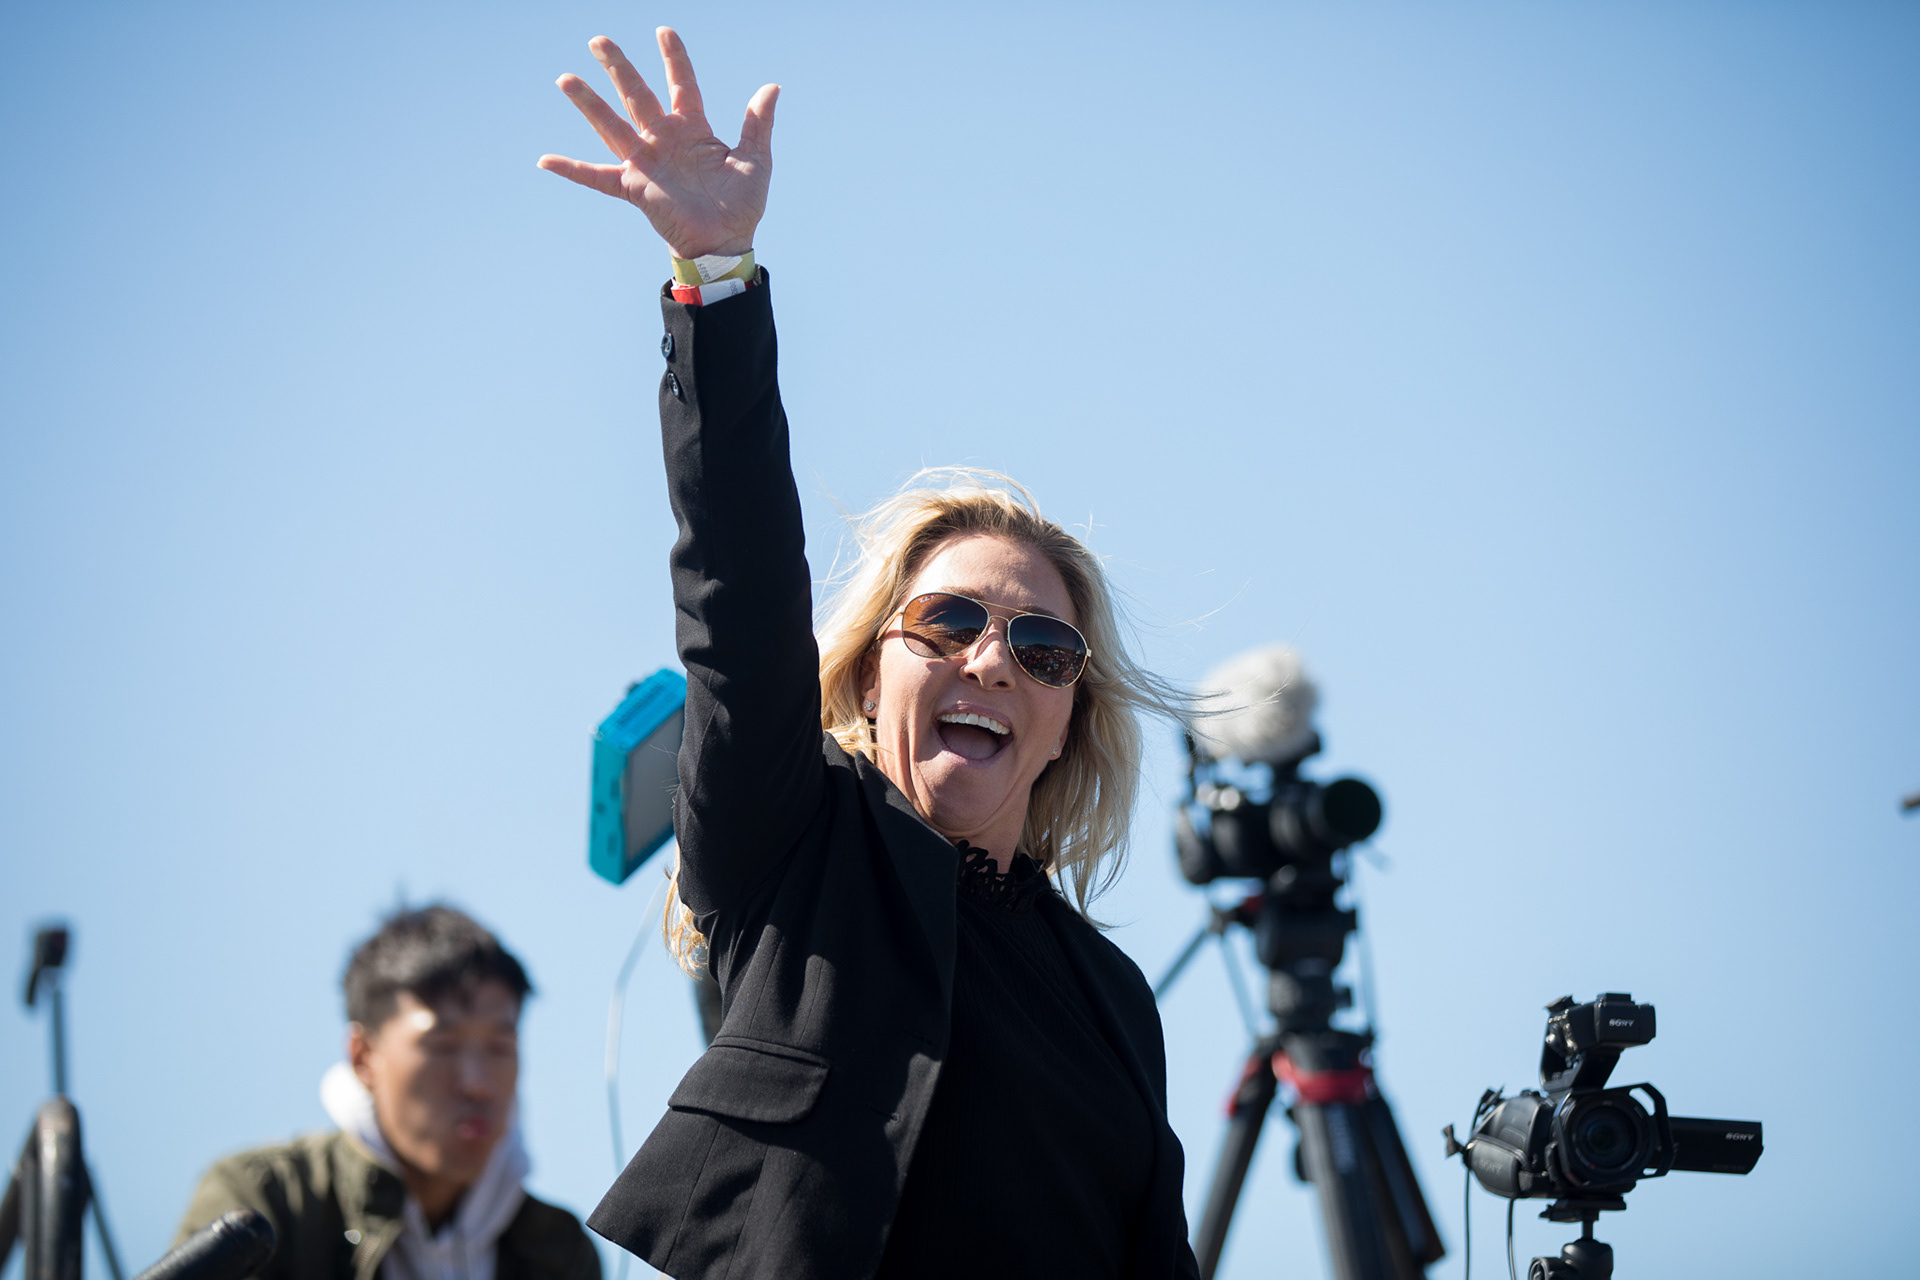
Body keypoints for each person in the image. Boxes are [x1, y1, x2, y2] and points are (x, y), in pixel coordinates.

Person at [539, 29, 1201, 1280]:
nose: (992, 660)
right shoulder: (796, 841)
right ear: (866, 671)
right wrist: (716, 273)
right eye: (948, 622)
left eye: (1042, 647)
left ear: (1069, 719)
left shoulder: (1111, 998)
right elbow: (736, 596)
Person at [175, 906, 601, 1280]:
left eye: (499, 1048)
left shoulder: (558, 1251)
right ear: (363, 1056)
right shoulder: (262, 1210)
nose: (476, 1082)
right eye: (442, 1046)